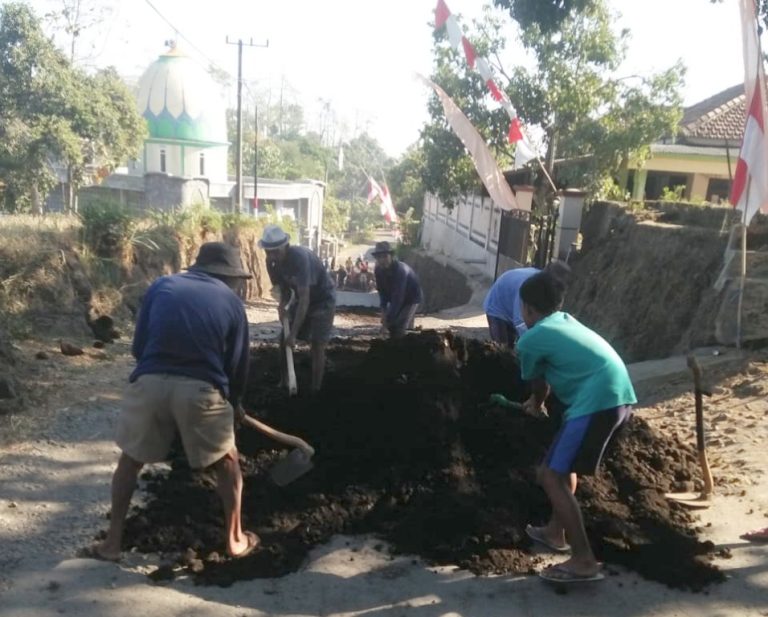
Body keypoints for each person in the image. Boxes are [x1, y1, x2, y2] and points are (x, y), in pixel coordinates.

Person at [95, 242, 258, 561]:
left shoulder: (161, 285)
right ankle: (235, 540)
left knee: (130, 460)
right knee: (228, 460)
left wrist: (161, 377)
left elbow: (139, 347)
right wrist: (235, 402)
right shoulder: (232, 303)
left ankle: (112, 543)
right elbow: (238, 366)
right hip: (200, 390)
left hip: (149, 382)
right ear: (229, 277)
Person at [516, 271, 636, 583]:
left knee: (549, 475)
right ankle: (555, 532)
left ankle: (583, 560)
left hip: (597, 402)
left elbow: (537, 383)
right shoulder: (565, 322)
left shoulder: (531, 338)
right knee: (559, 469)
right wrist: (539, 401)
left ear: (527, 307)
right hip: (618, 396)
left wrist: (535, 404)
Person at [260, 225, 336, 393]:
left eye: (276, 252)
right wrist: (282, 306)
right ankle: (284, 381)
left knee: (317, 343)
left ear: (285, 246)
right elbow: (283, 289)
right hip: (301, 299)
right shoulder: (271, 262)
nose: (272, 256)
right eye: (268, 252)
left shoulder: (300, 258)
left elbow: (304, 298)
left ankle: (315, 390)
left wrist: (294, 334)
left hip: (322, 299)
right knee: (283, 340)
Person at [483, 261, 571, 347]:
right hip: (497, 307)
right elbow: (520, 321)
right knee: (502, 348)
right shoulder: (530, 286)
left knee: (514, 346)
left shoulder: (545, 285)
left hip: (511, 302)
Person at [372, 241, 423, 339]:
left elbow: (398, 298)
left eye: (385, 256)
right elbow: (382, 292)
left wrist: (387, 321)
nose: (382, 260)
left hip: (411, 298)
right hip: (396, 298)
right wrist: (383, 311)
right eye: (379, 257)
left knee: (399, 327)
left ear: (391, 256)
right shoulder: (378, 270)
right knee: (393, 327)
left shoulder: (400, 271)